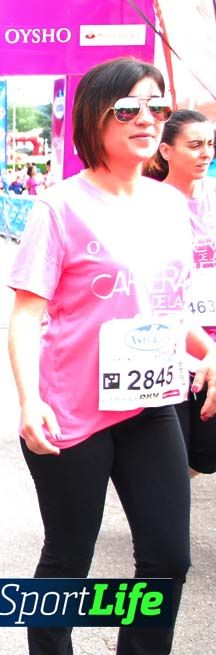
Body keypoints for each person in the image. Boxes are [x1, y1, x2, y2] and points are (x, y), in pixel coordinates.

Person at [7, 57, 211, 655]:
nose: (147, 119)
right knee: (68, 560)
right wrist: (29, 400)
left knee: (168, 559)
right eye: (129, 109)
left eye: (156, 106)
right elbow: (24, 315)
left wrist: (211, 350)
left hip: (153, 403)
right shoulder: (59, 207)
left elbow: (169, 308)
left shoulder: (173, 206)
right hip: (71, 413)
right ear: (95, 119)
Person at [144, 109, 216, 477]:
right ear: (167, 150)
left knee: (200, 457)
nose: (206, 153)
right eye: (195, 145)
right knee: (175, 453)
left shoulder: (213, 199)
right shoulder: (146, 203)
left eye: (210, 144)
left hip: (212, 344)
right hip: (170, 343)